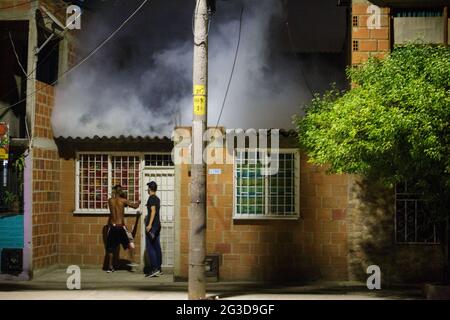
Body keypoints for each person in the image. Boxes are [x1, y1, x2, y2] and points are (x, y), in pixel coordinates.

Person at [105, 185, 141, 273]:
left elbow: (116, 207)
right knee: (130, 242)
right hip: (120, 226)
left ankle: (110, 267)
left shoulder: (110, 201)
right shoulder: (123, 200)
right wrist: (138, 202)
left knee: (110, 248)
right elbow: (135, 206)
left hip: (112, 226)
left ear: (114, 192)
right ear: (120, 192)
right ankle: (132, 262)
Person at [145, 181, 162, 277]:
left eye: (148, 188)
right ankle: (159, 268)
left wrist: (149, 224)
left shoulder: (151, 198)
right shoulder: (157, 199)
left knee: (150, 247)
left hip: (153, 226)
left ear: (150, 189)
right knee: (157, 246)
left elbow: (153, 211)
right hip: (157, 225)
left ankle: (155, 268)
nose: (147, 190)